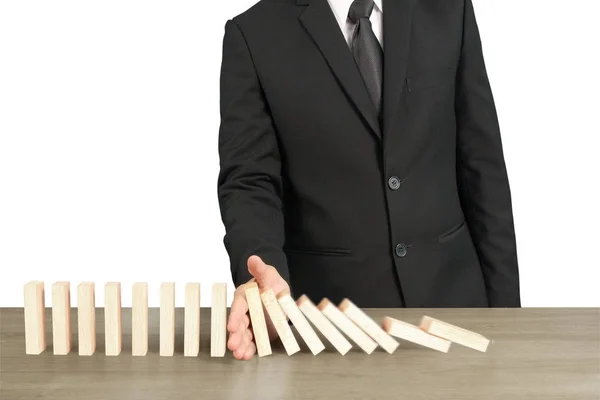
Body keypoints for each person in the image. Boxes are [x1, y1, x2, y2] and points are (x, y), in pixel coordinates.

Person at [216, 0, 521, 360]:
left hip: (458, 312)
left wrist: (509, 319)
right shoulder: (254, 34)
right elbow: (250, 181)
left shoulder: (448, 8)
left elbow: (481, 164)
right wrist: (263, 274)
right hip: (333, 332)